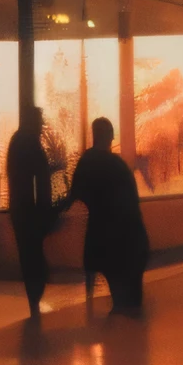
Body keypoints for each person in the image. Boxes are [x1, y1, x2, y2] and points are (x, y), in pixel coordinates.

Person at [56, 117, 150, 314]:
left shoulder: (87, 163)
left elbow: (74, 195)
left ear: (94, 135)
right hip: (130, 237)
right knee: (131, 301)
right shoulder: (118, 166)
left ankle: (98, 312)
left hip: (102, 235)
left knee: (119, 294)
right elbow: (132, 203)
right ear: (111, 136)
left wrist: (54, 211)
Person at [6, 107, 53, 318]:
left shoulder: (16, 142)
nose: (42, 127)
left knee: (28, 255)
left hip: (19, 209)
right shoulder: (31, 144)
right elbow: (41, 181)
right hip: (31, 210)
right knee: (34, 255)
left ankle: (33, 300)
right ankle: (35, 297)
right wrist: (46, 210)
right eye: (40, 122)